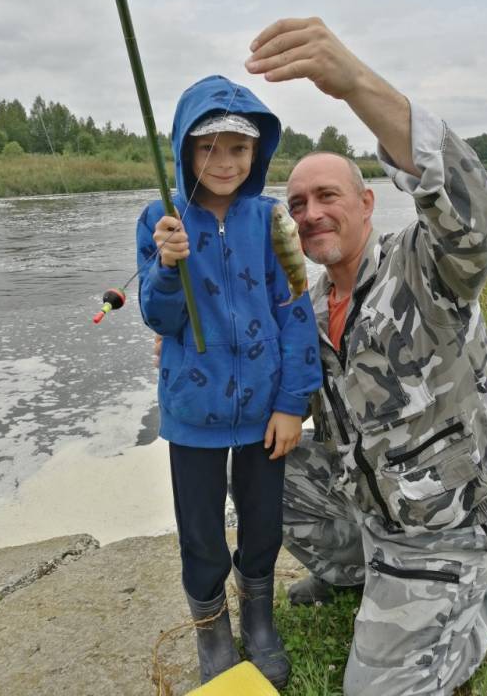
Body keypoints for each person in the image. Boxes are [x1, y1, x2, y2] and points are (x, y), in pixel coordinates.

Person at [242, 18, 487, 695]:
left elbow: (472, 214)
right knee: (265, 471)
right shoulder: (303, 315)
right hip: (374, 512)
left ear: (369, 204)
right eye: (297, 203)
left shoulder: (425, 270)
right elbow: (260, 389)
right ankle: (360, 572)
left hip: (448, 525)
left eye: (327, 196)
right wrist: (186, 324)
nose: (310, 212)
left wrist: (355, 85)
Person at [136, 74, 322, 689]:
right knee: (202, 535)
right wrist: (167, 267)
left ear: (258, 153)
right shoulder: (160, 219)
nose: (225, 161)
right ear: (185, 151)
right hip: (193, 415)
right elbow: (159, 317)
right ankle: (212, 631)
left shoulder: (270, 219)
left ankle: (259, 618)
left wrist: (292, 402)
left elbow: (295, 311)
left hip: (265, 409)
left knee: (263, 523)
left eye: (239, 148)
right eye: (208, 147)